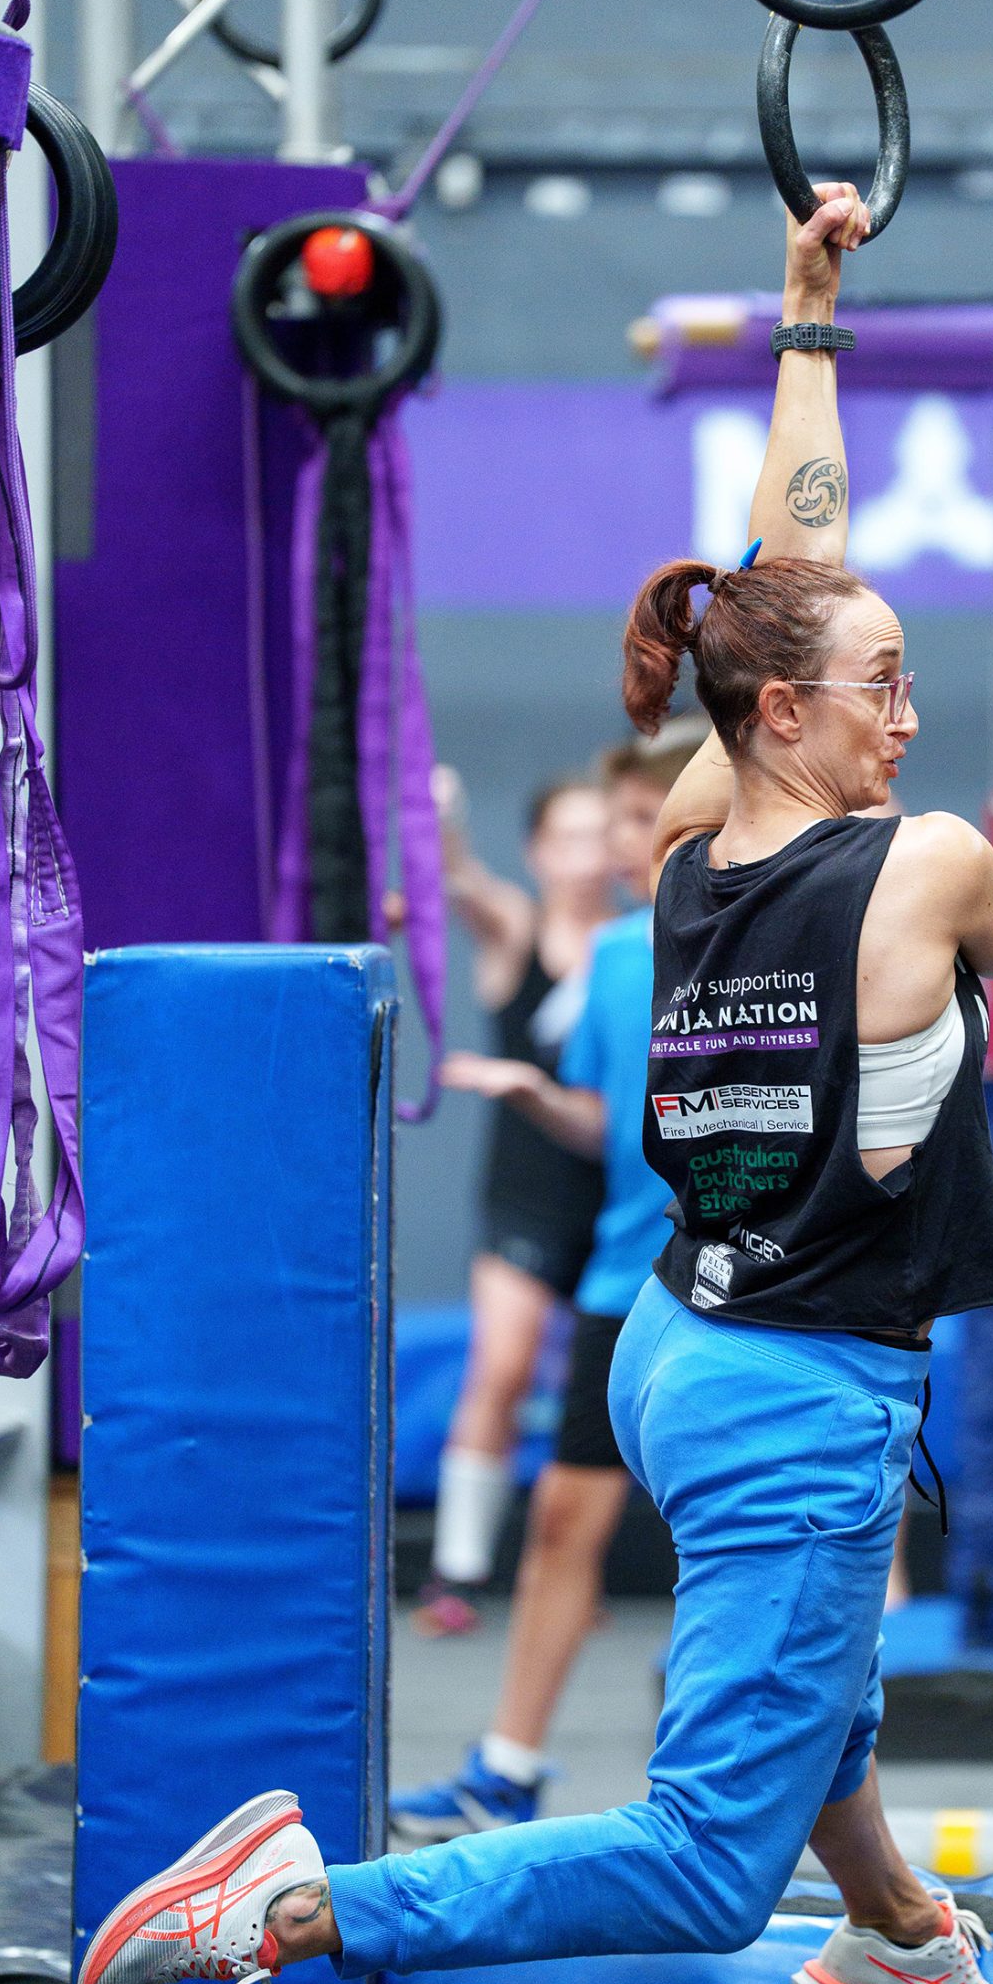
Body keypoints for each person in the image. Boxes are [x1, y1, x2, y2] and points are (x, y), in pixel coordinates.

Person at [75, 181, 993, 1984]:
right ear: (780, 714)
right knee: (706, 1863)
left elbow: (786, 564)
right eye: (881, 688)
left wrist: (805, 320)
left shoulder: (687, 843)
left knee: (811, 1683)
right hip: (797, 1388)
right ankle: (288, 1908)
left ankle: (892, 1934)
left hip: (675, 1352)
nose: (905, 716)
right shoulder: (931, 860)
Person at [391, 720, 708, 1840]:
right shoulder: (614, 959)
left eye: (637, 818)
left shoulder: (771, 941)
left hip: (741, 1285)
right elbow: (601, 1117)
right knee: (565, 1523)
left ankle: (750, 1785)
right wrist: (534, 1096)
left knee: (746, 1533)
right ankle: (506, 1767)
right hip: (626, 1283)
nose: (619, 841)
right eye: (616, 820)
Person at [416, 769, 614, 1636]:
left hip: (618, 1200)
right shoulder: (514, 930)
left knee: (606, 1394)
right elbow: (455, 880)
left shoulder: (641, 944)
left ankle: (573, 1570)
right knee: (501, 1370)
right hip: (526, 1200)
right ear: (536, 852)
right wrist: (443, 819)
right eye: (566, 838)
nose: (585, 856)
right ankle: (457, 1572)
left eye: (599, 836)